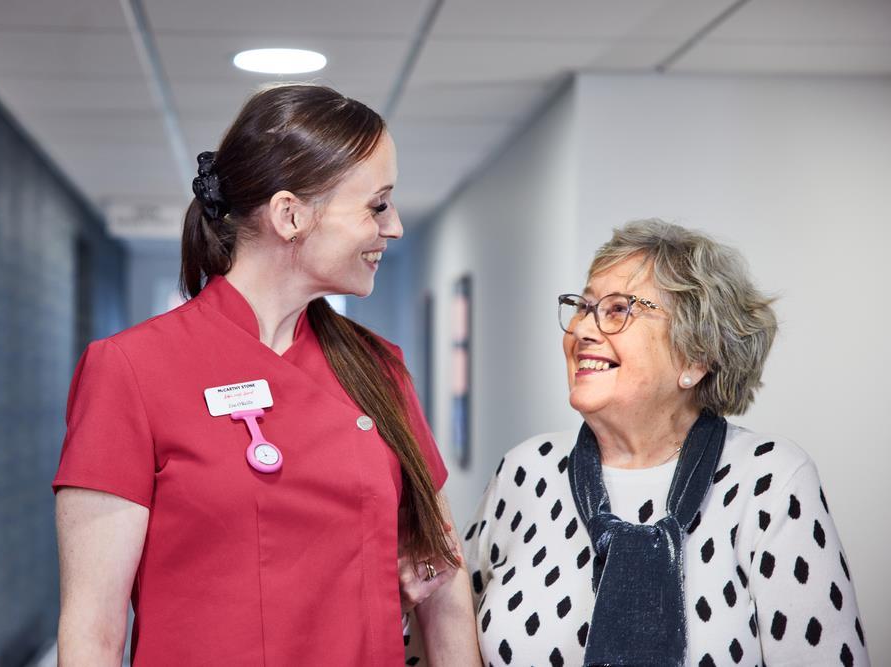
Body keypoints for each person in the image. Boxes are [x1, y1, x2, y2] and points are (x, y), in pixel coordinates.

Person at [53, 84, 478, 666]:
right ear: (290, 215)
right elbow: (94, 634)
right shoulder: (131, 370)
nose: (395, 226)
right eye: (377, 205)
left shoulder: (378, 368)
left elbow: (443, 578)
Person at [463, 220, 869, 666]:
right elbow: (444, 635)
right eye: (583, 306)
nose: (581, 330)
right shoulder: (526, 471)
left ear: (695, 356)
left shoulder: (769, 481)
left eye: (619, 309)